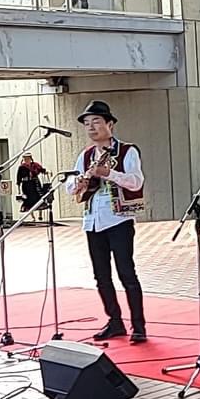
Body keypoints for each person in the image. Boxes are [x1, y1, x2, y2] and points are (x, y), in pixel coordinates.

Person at [65, 100, 147, 343]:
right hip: (93, 221)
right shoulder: (85, 155)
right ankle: (115, 321)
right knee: (101, 276)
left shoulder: (128, 151)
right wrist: (77, 184)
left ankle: (139, 326)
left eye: (96, 122)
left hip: (118, 220)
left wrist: (108, 173)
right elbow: (70, 184)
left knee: (126, 273)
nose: (91, 127)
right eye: (87, 123)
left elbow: (136, 181)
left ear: (110, 124)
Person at [16, 152, 47, 217]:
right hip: (26, 185)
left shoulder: (35, 165)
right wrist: (18, 190)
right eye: (25, 158)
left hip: (35, 183)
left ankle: (40, 215)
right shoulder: (21, 167)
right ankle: (32, 216)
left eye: (27, 158)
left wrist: (47, 172)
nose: (26, 160)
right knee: (29, 199)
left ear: (30, 158)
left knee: (38, 196)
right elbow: (18, 178)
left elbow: (42, 170)